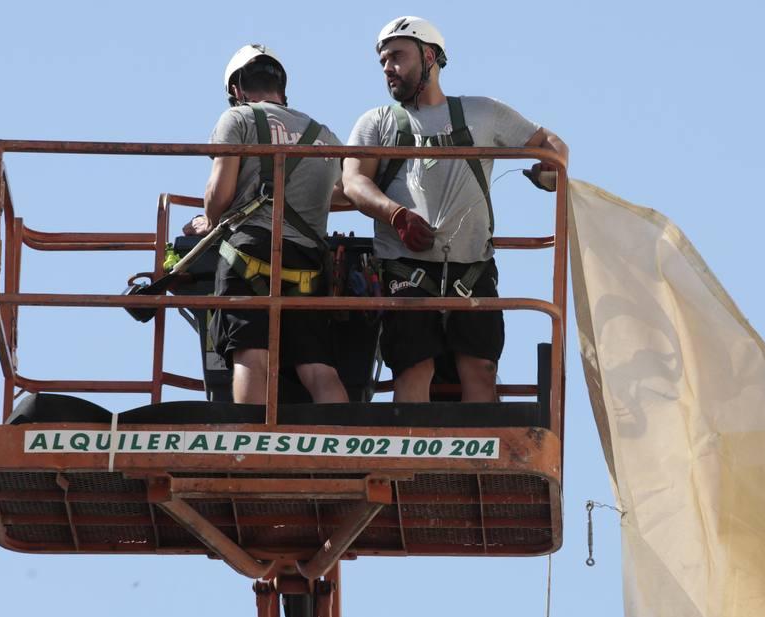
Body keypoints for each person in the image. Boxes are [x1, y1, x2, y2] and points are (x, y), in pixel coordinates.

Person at [342, 16, 568, 402]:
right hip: (405, 270)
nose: (388, 69)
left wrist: (551, 170)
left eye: (397, 57)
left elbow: (551, 143)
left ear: (428, 56)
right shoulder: (377, 123)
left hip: (471, 268)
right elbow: (353, 181)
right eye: (382, 62)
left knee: (480, 370)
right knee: (414, 368)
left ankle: (477, 463)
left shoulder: (482, 114)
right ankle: (407, 463)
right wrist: (396, 215)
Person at [187, 44, 350, 404]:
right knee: (318, 366)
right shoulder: (323, 135)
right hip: (306, 260)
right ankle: (345, 452)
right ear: (282, 86)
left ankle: (252, 452)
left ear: (236, 90)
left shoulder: (238, 119)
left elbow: (220, 195)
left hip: (249, 253)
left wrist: (208, 220)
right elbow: (346, 193)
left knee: (252, 358)